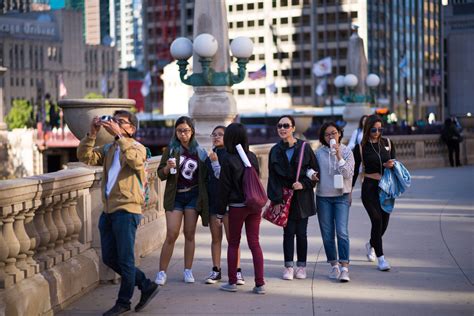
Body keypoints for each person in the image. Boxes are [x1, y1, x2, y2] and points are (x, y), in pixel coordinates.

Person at [77, 111, 159, 316]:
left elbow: (135, 161)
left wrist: (120, 137)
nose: (115, 125)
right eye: (114, 121)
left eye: (121, 122)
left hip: (127, 209)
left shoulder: (138, 147)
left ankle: (124, 302)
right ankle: (145, 284)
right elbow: (84, 156)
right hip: (109, 210)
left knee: (125, 260)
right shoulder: (110, 149)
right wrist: (92, 133)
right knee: (110, 258)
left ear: (131, 128)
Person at [155, 116, 209, 285]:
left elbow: (206, 176)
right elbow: (160, 174)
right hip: (175, 197)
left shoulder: (199, 151)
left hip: (193, 196)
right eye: (179, 131)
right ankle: (162, 272)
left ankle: (188, 270)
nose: (182, 134)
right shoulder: (171, 149)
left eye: (186, 130)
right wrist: (167, 168)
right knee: (171, 233)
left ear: (192, 131)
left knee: (190, 234)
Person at [267, 115, 318, 280]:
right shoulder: (275, 150)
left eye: (286, 125)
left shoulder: (304, 147)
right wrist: (275, 200)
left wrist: (303, 184)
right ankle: (288, 266)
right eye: (280, 126)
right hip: (284, 197)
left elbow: (315, 173)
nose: (282, 128)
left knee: (301, 233)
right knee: (288, 233)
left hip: (302, 197)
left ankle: (301, 266)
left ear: (293, 128)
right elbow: (272, 178)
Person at [217, 123, 266, 294]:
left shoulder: (228, 159)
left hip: (237, 206)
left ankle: (232, 282)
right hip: (254, 205)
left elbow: (224, 188)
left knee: (233, 243)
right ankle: (260, 284)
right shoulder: (251, 157)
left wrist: (219, 211)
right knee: (254, 243)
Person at [352, 114, 396, 271]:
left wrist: (391, 165)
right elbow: (355, 172)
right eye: (373, 130)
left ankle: (371, 243)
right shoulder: (361, 148)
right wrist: (349, 192)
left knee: (384, 223)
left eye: (379, 129)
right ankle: (381, 259)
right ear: (367, 129)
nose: (377, 132)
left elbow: (395, 165)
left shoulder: (388, 143)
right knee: (377, 220)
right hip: (369, 188)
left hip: (385, 188)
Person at [313, 122, 354, 282]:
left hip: (341, 196)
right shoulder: (318, 153)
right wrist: (311, 174)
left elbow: (348, 173)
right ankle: (334, 265)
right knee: (327, 234)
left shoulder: (347, 152)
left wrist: (338, 155)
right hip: (323, 197)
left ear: (339, 134)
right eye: (327, 134)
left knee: (342, 232)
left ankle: (345, 267)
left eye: (334, 133)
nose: (331, 137)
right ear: (323, 137)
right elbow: (311, 169)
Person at [205, 126, 244, 285]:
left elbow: (227, 180)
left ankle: (237, 271)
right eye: (214, 135)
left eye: (220, 134)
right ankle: (216, 270)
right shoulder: (210, 155)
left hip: (229, 203)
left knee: (232, 240)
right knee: (215, 238)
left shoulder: (231, 155)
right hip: (214, 202)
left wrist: (215, 162)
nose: (216, 137)